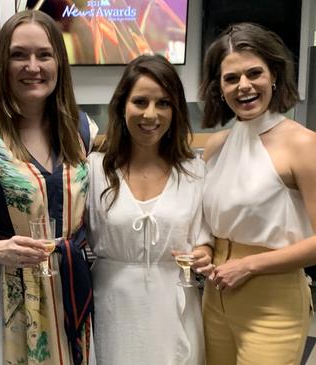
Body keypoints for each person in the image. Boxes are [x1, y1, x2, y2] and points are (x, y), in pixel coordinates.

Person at [0, 10, 97, 365]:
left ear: (59, 62)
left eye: (44, 54)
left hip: (70, 289)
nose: (32, 66)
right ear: (2, 65)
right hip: (6, 296)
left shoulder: (83, 130)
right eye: (18, 55)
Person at [199, 23, 316, 365]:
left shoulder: (301, 143)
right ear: (219, 88)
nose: (244, 86)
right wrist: (203, 248)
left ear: (274, 76)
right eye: (231, 78)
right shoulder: (217, 146)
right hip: (214, 297)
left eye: (255, 73)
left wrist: (248, 265)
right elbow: (208, 221)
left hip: (273, 304)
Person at [85, 54, 213, 365]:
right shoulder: (94, 169)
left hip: (174, 304)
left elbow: (204, 239)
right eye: (140, 102)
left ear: (176, 110)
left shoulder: (195, 171)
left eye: (163, 104)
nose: (151, 114)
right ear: (122, 106)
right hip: (112, 305)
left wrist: (203, 252)